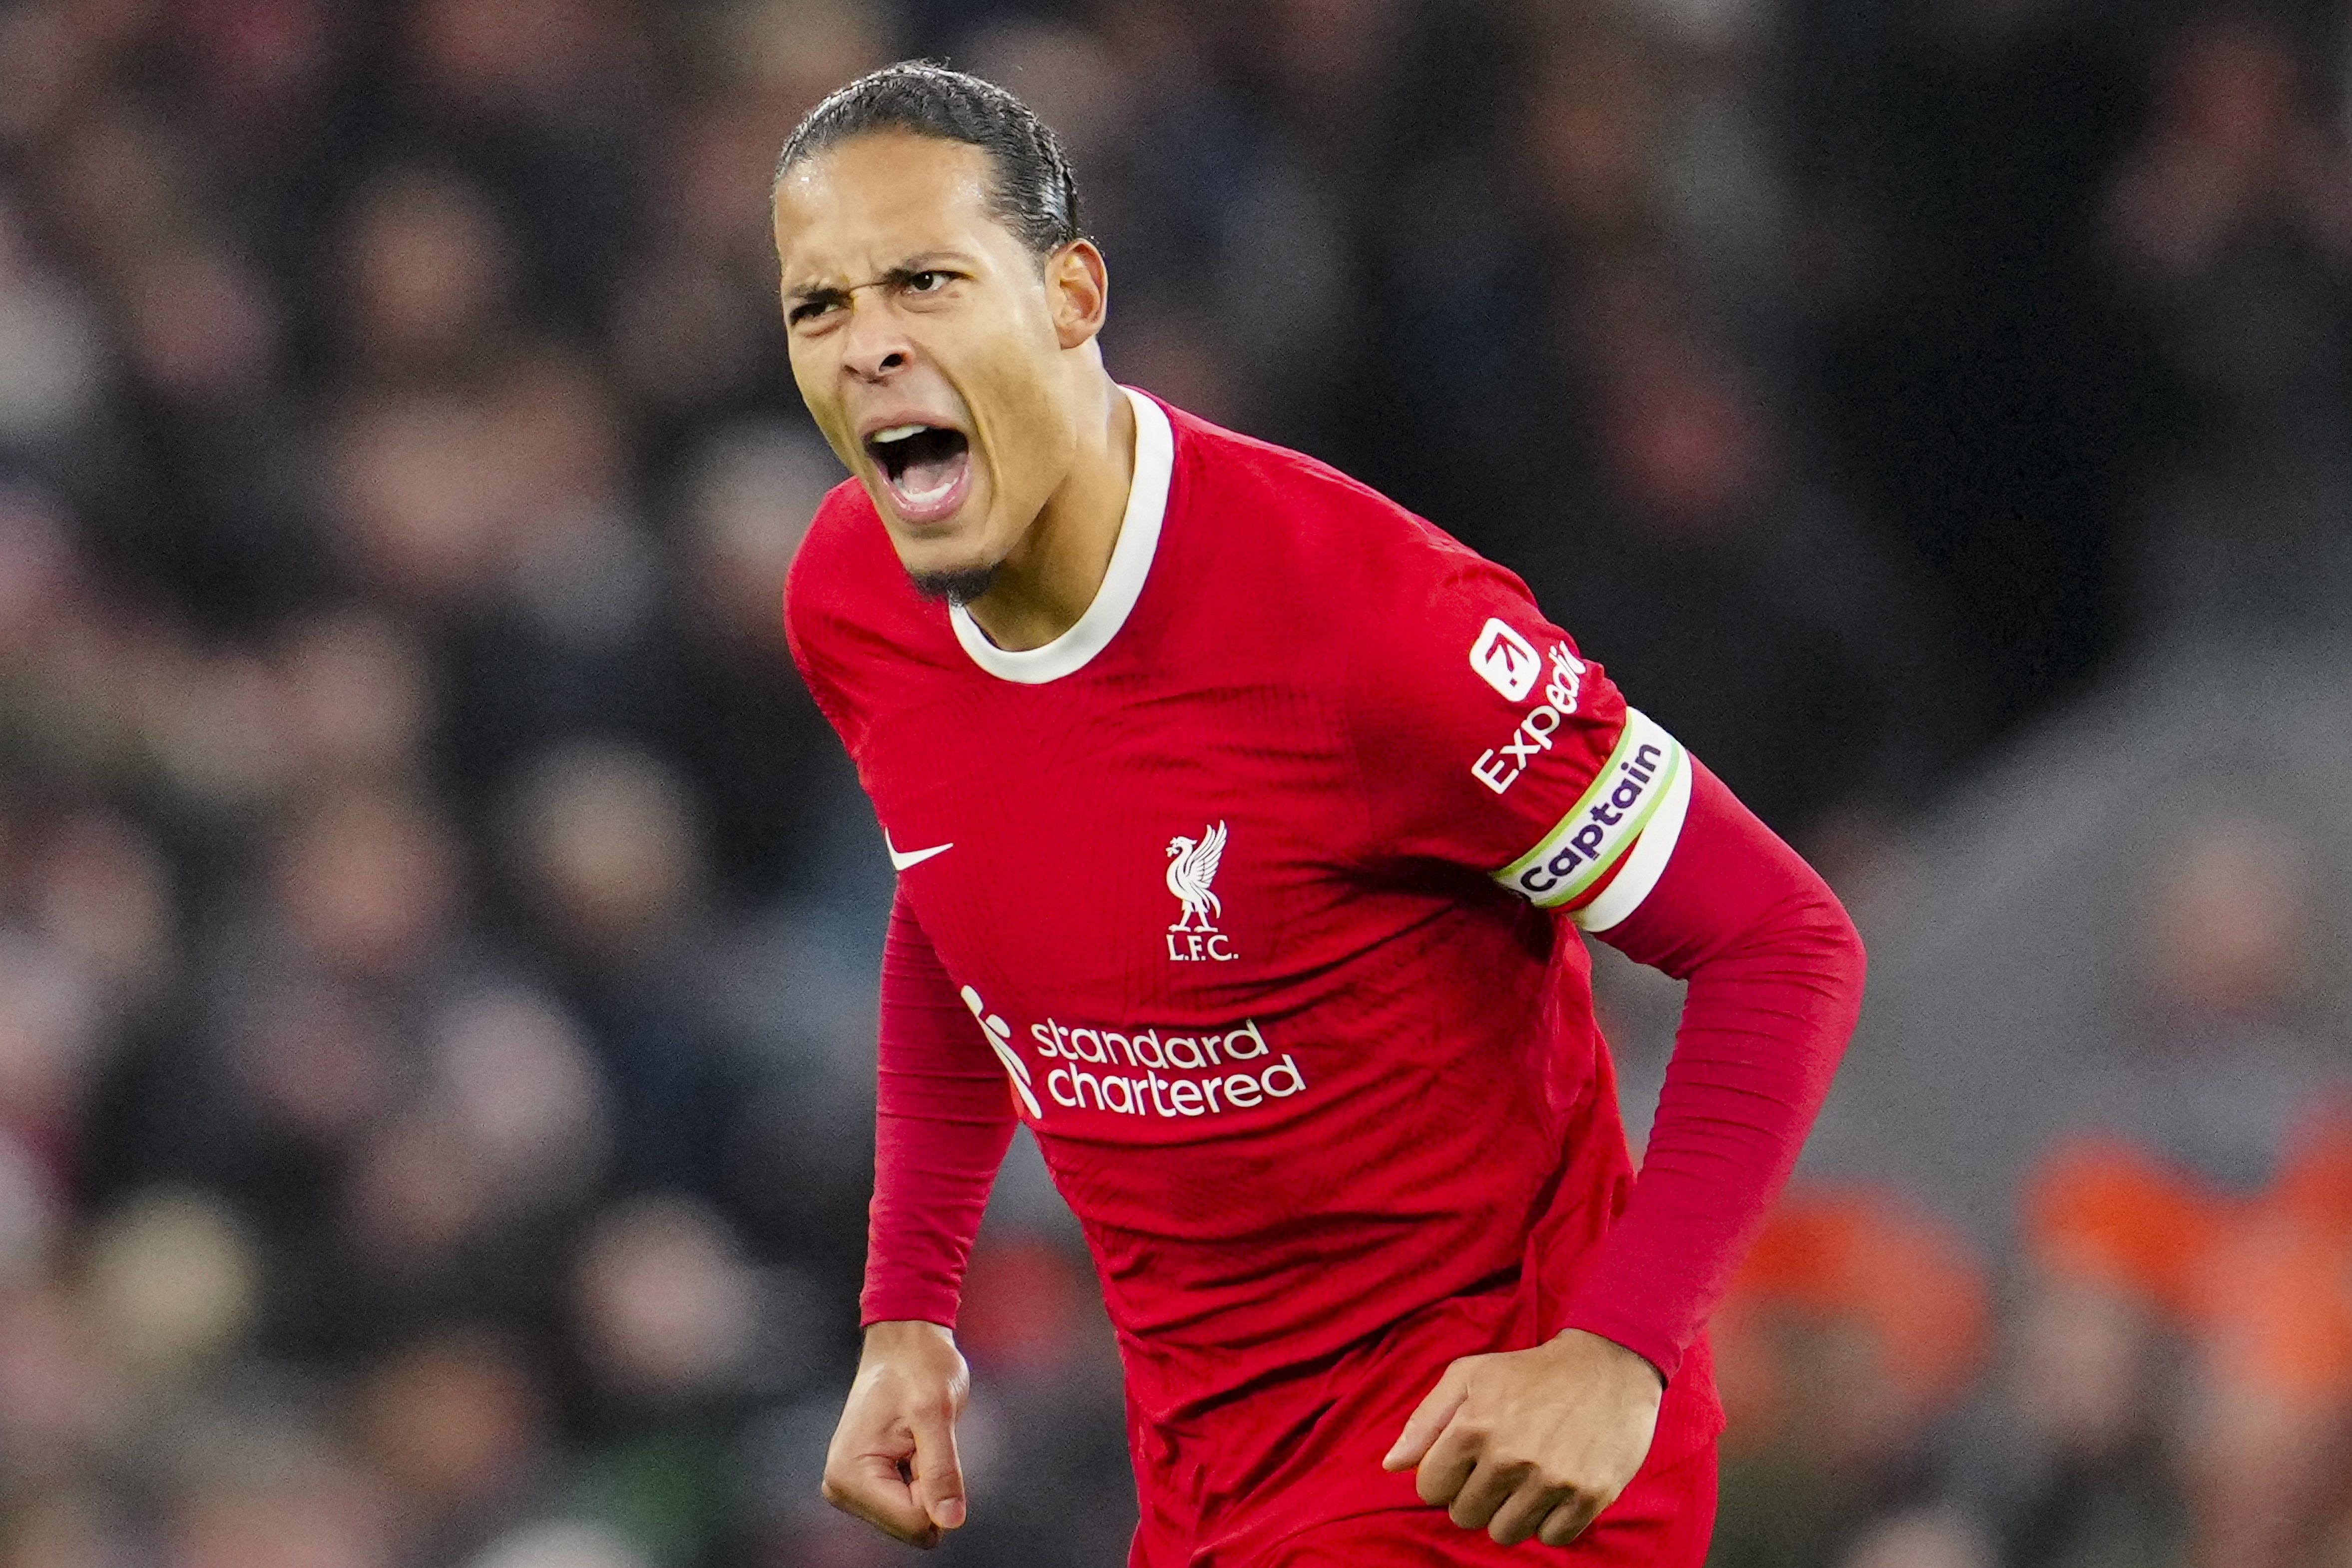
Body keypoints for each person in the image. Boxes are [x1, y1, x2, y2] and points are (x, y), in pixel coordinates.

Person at [774, 61, 1866, 1568]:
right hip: (1214, 1486)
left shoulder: (1374, 633)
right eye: (817, 306)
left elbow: (1780, 941)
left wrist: (1619, 1351)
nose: (871, 344)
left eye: (924, 281)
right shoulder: (852, 602)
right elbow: (960, 902)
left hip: (1486, 1469)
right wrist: (907, 1307)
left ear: (1073, 294)